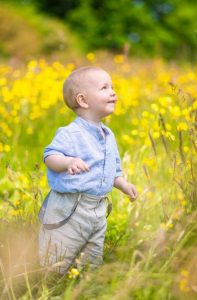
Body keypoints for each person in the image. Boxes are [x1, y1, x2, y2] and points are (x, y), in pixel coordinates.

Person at [38, 66, 138, 274]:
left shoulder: (108, 134)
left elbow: (112, 171)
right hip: (70, 207)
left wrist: (123, 184)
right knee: (56, 257)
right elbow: (49, 156)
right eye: (104, 88)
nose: (113, 92)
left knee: (91, 259)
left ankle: (86, 285)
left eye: (112, 87)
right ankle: (49, 285)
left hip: (97, 209)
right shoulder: (70, 133)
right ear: (83, 100)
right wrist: (67, 162)